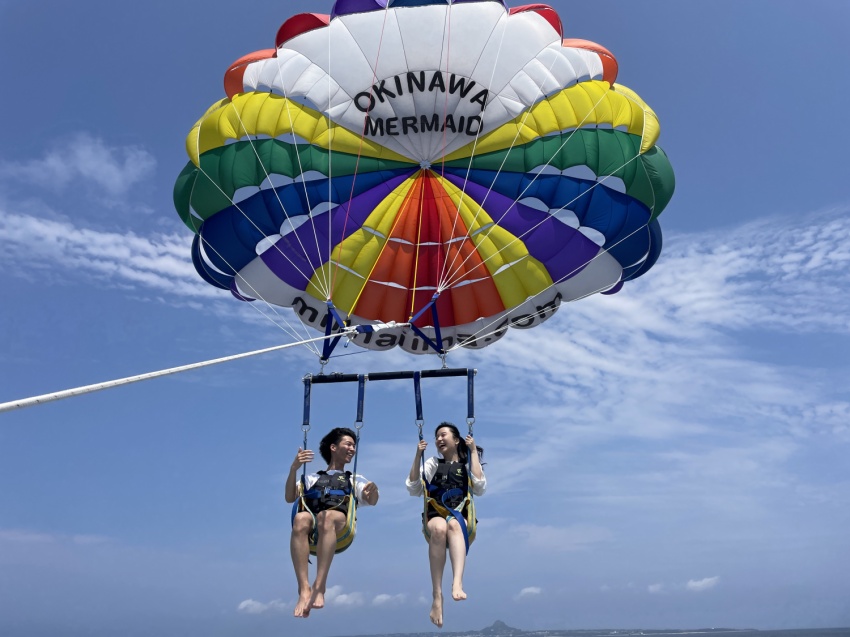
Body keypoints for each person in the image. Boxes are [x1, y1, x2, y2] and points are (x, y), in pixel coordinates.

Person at [285, 427, 379, 618]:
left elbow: (372, 500)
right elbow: (289, 497)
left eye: (354, 445)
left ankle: (320, 586)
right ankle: (304, 589)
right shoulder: (311, 478)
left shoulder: (354, 479)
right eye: (348, 444)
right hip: (314, 533)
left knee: (326, 516)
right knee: (300, 518)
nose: (353, 448)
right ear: (333, 447)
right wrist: (294, 468)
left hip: (340, 529)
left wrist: (373, 492)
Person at [406, 422, 485, 628]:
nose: (439, 439)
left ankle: (457, 582)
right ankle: (437, 595)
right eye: (437, 437)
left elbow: (480, 487)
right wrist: (417, 455)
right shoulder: (433, 463)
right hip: (435, 516)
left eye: (443, 435)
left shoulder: (466, 467)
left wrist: (473, 451)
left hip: (460, 517)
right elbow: (414, 488)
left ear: (456, 440)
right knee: (441, 527)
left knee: (454, 525)